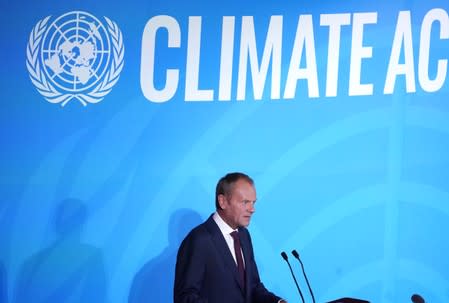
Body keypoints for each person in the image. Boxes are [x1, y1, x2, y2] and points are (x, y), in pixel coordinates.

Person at [174, 172, 287, 303]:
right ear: (222, 201)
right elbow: (185, 298)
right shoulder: (199, 240)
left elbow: (253, 287)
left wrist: (278, 302)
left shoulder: (244, 235)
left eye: (253, 202)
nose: (252, 209)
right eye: (245, 202)